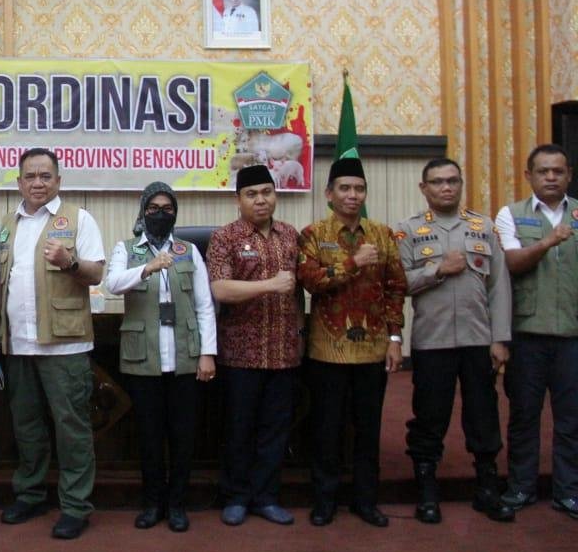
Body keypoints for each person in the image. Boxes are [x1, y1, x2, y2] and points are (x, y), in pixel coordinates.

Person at [0, 147, 105, 540]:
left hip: (64, 345)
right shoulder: (7, 224)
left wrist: (69, 262)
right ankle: (30, 494)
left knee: (71, 429)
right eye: (30, 176)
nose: (37, 183)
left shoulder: (78, 219)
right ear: (18, 181)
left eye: (45, 176)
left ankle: (75, 505)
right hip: (18, 344)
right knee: (27, 427)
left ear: (58, 180)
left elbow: (96, 274)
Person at [395, 158, 514, 523]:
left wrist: (501, 338)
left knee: (483, 414)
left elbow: (499, 289)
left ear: (461, 185)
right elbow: (399, 283)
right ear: (423, 188)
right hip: (433, 342)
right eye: (437, 182)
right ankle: (427, 489)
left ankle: (487, 487)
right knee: (430, 416)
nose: (446, 188)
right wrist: (437, 270)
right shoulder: (408, 230)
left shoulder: (484, 226)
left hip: (479, 340)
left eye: (452, 181)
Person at [297, 157, 406, 528]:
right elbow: (311, 280)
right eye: (344, 188)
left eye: (358, 188)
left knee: (367, 430)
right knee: (326, 431)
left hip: (373, 351)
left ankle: (365, 501)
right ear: (329, 194)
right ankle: (324, 501)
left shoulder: (383, 234)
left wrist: (394, 337)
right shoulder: (313, 234)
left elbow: (395, 289)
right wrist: (353, 262)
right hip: (328, 351)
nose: (352, 195)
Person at [104, 181, 216, 533]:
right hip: (144, 359)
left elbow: (204, 306)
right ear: (142, 212)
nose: (161, 214)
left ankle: (177, 504)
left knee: (182, 436)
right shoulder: (127, 249)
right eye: (153, 208)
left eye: (167, 209)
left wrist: (207, 354)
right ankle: (152, 503)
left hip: (184, 356)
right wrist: (148, 267)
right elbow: (112, 284)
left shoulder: (188, 251)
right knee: (149, 436)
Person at [207, 163, 302, 527]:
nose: (260, 200)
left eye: (267, 193)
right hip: (241, 354)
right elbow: (221, 289)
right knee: (239, 430)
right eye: (252, 194)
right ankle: (236, 496)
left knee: (274, 431)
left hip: (282, 352)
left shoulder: (291, 236)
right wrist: (269, 285)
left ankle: (266, 497)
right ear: (238, 200)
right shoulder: (225, 237)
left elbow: (300, 292)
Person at [495, 144, 578, 517]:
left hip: (573, 336)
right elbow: (512, 263)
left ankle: (568, 492)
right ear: (528, 176)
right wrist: (548, 241)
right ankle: (521, 488)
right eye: (543, 171)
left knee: (572, 420)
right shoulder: (510, 215)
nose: (550, 177)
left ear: (569, 175)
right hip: (527, 335)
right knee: (524, 416)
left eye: (557, 171)